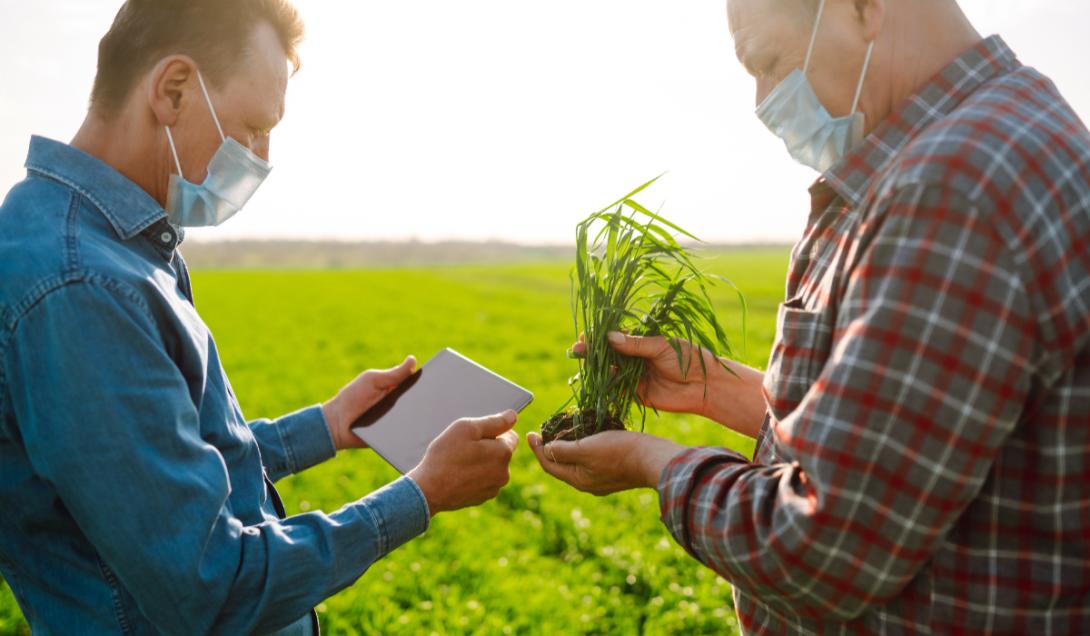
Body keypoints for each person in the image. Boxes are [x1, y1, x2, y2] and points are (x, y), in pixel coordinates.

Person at [530, 0, 1090, 632]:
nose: (766, 103)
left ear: (863, 8)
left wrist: (649, 462)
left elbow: (821, 550)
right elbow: (907, 442)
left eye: (771, 64)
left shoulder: (954, 187)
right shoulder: (993, 137)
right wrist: (716, 389)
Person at [0, 1, 520, 634]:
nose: (261, 157)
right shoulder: (83, 284)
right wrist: (422, 494)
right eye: (251, 128)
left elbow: (173, 466)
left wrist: (328, 425)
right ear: (172, 90)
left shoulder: (105, 246)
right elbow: (211, 587)